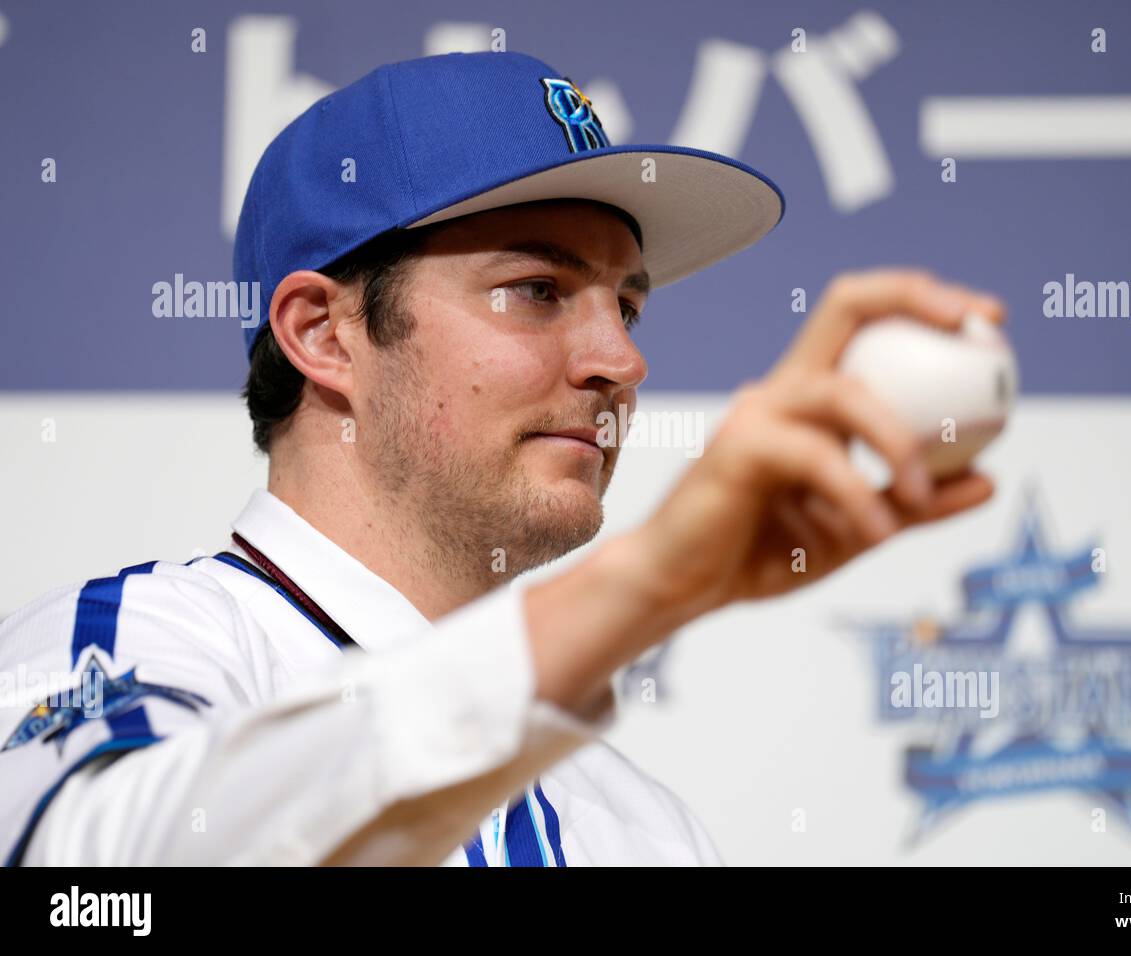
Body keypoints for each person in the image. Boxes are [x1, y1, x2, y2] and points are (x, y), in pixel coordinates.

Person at [0, 51, 1003, 866]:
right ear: (324, 333)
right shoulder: (144, 642)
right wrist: (641, 585)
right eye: (535, 289)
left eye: (629, 303)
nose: (621, 360)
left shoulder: (646, 832)